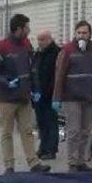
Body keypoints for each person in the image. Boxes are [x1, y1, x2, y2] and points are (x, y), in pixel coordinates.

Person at [0, 14, 50, 174]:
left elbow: (33, 69)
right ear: (19, 29)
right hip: (6, 99)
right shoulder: (1, 47)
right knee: (7, 133)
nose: (29, 31)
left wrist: (36, 89)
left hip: (24, 97)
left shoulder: (27, 45)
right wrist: (6, 82)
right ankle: (9, 166)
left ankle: (34, 163)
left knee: (27, 131)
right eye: (27, 28)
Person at [52, 20, 92, 172]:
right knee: (74, 131)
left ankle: (81, 161)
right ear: (75, 34)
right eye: (79, 33)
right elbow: (60, 74)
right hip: (72, 97)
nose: (82, 36)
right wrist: (57, 97)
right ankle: (72, 162)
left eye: (85, 33)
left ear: (90, 34)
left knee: (85, 131)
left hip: (89, 96)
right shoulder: (67, 50)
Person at [32, 30, 60, 160]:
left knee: (51, 123)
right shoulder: (38, 53)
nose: (40, 42)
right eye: (39, 40)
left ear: (49, 39)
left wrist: (51, 92)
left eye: (42, 39)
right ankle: (43, 147)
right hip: (38, 94)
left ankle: (51, 149)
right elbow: (34, 71)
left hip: (50, 94)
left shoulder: (56, 53)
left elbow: (56, 75)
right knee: (41, 123)